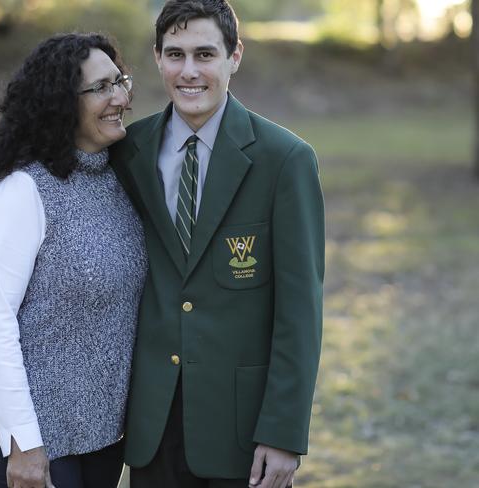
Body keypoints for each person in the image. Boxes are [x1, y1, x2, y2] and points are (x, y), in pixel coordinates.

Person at [110, 1, 325, 487]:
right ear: (158, 58)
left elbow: (300, 311)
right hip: (152, 427)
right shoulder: (127, 152)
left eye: (205, 54)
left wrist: (284, 432)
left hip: (243, 432)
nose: (189, 71)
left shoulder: (285, 160)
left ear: (235, 56)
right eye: (175, 54)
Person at [0, 33, 148, 488]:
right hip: (14, 427)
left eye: (120, 82)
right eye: (100, 88)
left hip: (96, 428)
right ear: (61, 104)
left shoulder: (119, 181)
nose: (119, 98)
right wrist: (24, 441)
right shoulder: (21, 193)